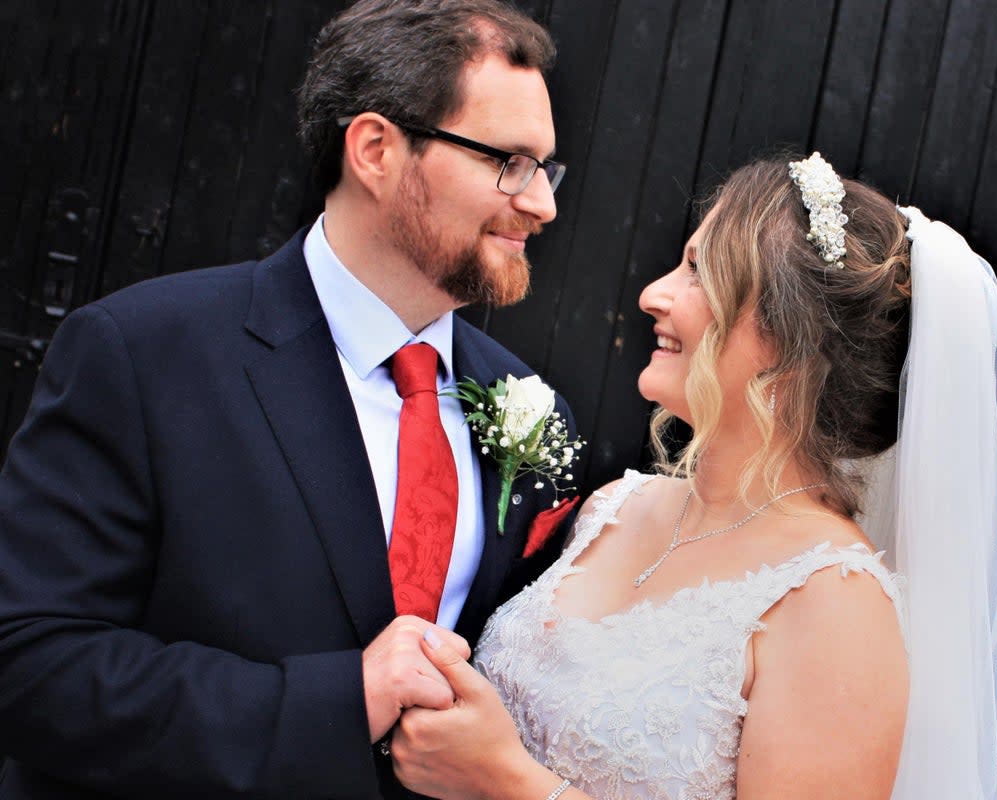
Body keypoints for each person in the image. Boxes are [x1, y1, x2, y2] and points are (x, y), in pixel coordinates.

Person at [0, 1, 578, 798]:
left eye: (546, 169)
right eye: (508, 162)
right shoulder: (142, 354)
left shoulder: (535, 413)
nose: (541, 203)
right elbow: (30, 665)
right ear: (375, 149)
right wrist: (341, 703)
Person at [385, 152, 997, 800]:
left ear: (786, 340)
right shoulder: (614, 508)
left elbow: (502, 769)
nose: (652, 295)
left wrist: (508, 782)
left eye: (698, 273)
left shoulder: (834, 601)